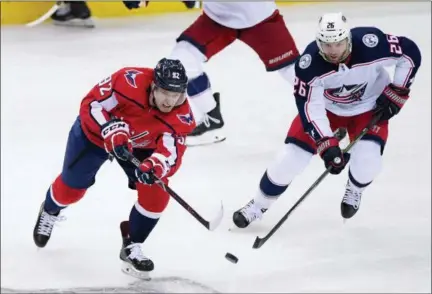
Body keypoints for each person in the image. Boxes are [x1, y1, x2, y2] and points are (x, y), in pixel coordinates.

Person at [232, 12, 422, 228]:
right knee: (289, 159)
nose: (333, 51)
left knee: (367, 163)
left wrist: (398, 90)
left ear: (348, 39)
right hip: (328, 110)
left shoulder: (371, 44)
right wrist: (327, 145)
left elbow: (409, 52)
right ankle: (257, 205)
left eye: (338, 44)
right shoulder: (308, 65)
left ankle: (355, 188)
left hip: (370, 108)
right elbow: (310, 108)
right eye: (327, 45)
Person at [32, 58, 195, 279]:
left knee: (157, 191)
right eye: (165, 92)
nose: (170, 100)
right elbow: (91, 104)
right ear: (154, 86)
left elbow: (171, 154)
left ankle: (132, 245)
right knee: (72, 188)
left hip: (142, 146)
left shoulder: (182, 117)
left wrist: (155, 165)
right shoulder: (128, 81)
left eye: (176, 94)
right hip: (97, 136)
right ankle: (50, 210)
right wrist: (109, 129)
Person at [124, 1, 300, 146]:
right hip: (217, 19)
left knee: (293, 70)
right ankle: (211, 118)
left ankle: (326, 107)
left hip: (257, 17)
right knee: (183, 61)